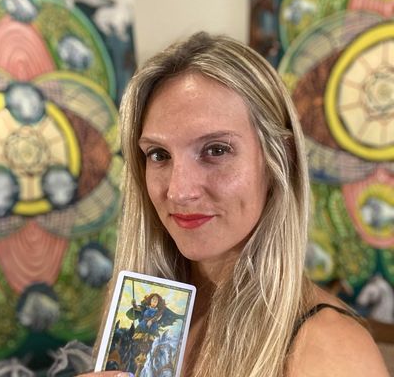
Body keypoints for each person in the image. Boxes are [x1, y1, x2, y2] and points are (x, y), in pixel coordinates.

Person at [81, 32, 389, 376]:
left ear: (280, 160)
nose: (179, 191)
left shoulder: (331, 351)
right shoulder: (145, 313)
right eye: (159, 154)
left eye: (216, 150)